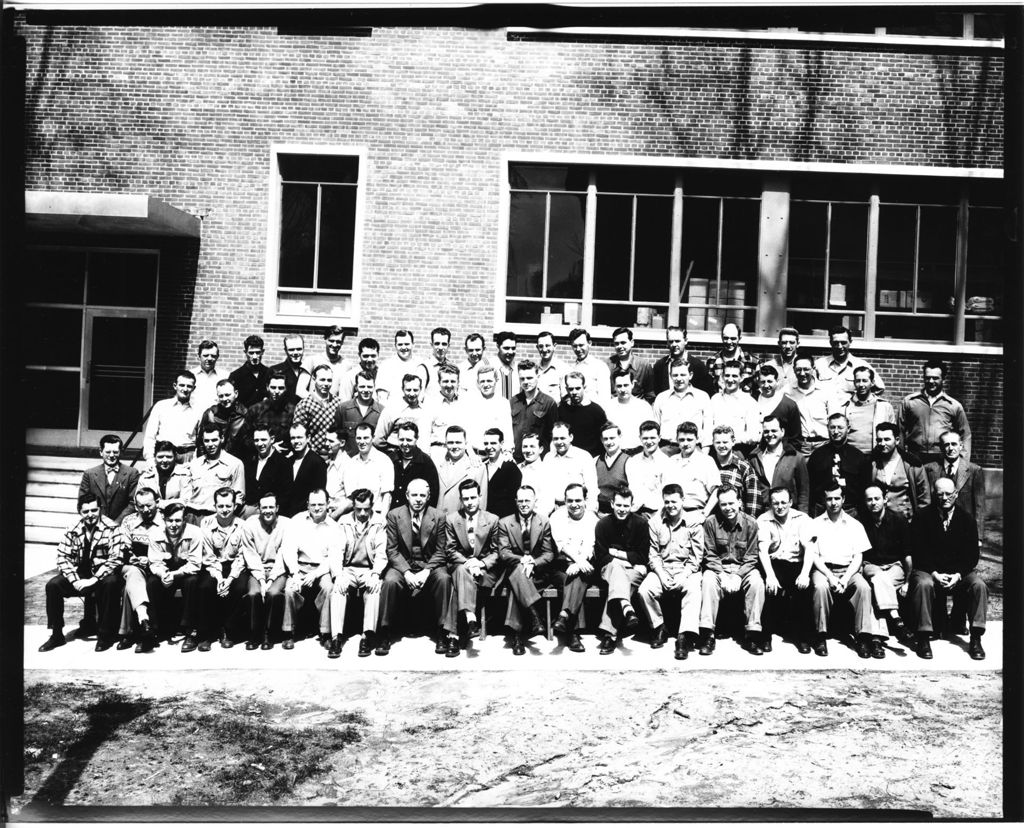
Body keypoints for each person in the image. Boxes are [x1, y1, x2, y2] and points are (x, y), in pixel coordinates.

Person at [908, 476, 988, 660]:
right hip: (929, 570)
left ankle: (976, 638)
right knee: (923, 584)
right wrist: (935, 573)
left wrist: (958, 575)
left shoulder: (966, 519)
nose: (944, 498)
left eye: (948, 494)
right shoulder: (922, 517)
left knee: (979, 586)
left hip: (957, 573)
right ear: (934, 495)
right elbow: (918, 551)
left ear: (956, 494)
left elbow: (971, 555)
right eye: (940, 494)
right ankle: (923, 637)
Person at [379, 478, 458, 657]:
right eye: (414, 495)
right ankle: (385, 631)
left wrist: (426, 571)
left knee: (444, 579)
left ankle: (442, 632)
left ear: (428, 497)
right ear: (407, 496)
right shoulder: (394, 515)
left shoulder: (438, 516)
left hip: (429, 564)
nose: (418, 499)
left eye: (423, 495)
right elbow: (392, 551)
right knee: (390, 581)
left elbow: (441, 551)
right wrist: (406, 572)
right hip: (403, 565)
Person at [38, 495, 125, 652]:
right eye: (86, 511)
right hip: (79, 576)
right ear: (80, 512)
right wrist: (74, 580)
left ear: (100, 510)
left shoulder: (113, 528)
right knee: (53, 585)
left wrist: (94, 580)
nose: (90, 514)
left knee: (111, 582)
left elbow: (116, 559)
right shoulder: (72, 529)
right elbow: (62, 557)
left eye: (94, 510)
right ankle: (56, 634)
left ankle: (105, 635)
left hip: (102, 576)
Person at [807, 480, 875, 658]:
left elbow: (858, 557)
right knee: (820, 587)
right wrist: (830, 577)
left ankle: (863, 637)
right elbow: (813, 555)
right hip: (823, 570)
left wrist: (845, 579)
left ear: (843, 499)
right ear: (824, 500)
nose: (833, 503)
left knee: (864, 587)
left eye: (837, 498)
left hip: (848, 570)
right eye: (829, 499)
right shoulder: (815, 524)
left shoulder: (854, 524)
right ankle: (820, 636)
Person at [638, 483, 704, 659]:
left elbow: (696, 558)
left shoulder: (694, 522)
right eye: (667, 502)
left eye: (674, 501)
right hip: (663, 569)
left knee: (694, 590)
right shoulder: (655, 522)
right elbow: (653, 555)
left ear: (683, 500)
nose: (670, 506)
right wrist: (661, 574)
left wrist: (683, 575)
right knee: (645, 590)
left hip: (686, 570)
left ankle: (684, 636)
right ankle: (659, 627)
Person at [698, 486, 763, 655]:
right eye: (723, 504)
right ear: (718, 505)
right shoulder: (711, 522)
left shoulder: (751, 523)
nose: (728, 508)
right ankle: (708, 635)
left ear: (739, 502)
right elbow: (710, 554)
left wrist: (737, 576)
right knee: (708, 580)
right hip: (719, 568)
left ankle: (752, 634)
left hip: (743, 568)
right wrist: (722, 575)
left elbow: (752, 556)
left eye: (731, 503)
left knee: (756, 581)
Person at [278, 489, 344, 651]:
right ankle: (288, 632)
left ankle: (326, 633)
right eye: (313, 504)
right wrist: (294, 573)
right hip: (299, 565)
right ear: (307, 504)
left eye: (321, 504)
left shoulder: (334, 527)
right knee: (290, 589)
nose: (316, 508)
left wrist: (315, 574)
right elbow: (288, 548)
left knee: (328, 588)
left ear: (328, 505)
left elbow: (333, 557)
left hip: (322, 569)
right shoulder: (297, 521)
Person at [497, 484, 556, 655]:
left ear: (535, 502)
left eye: (527, 500)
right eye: (520, 501)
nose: (524, 504)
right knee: (518, 573)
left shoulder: (543, 521)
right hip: (512, 571)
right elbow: (504, 553)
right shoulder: (505, 523)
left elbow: (549, 553)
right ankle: (534, 616)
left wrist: (533, 563)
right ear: (516, 502)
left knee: (518, 587)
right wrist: (523, 560)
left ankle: (517, 637)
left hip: (537, 574)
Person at [756, 486, 815, 653]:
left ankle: (801, 636)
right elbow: (763, 550)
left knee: (804, 589)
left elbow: (809, 548)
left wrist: (804, 574)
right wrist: (770, 576)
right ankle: (765, 635)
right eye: (775, 503)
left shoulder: (802, 519)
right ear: (770, 504)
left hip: (797, 562)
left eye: (783, 502)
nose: (779, 507)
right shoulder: (763, 520)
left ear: (790, 502)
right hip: (774, 562)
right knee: (768, 587)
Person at [858, 483, 915, 658]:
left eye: (877, 498)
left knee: (878, 584)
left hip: (894, 567)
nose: (873, 503)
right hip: (871, 566)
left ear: (885, 499)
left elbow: (907, 554)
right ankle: (896, 619)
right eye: (869, 499)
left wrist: (907, 582)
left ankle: (876, 640)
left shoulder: (898, 519)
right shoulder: (861, 521)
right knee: (877, 579)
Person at [331, 488, 388, 658]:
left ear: (372, 506)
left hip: (368, 569)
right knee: (338, 589)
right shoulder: (343, 522)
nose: (362, 513)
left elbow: (381, 553)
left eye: (366, 509)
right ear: (353, 507)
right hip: (348, 569)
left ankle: (367, 636)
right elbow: (336, 552)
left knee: (374, 589)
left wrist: (376, 573)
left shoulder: (379, 522)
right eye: (358, 509)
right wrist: (338, 575)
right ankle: (336, 637)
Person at [546, 483, 600, 653]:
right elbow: (561, 545)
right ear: (565, 501)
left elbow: (591, 546)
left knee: (578, 576)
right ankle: (573, 632)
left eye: (578, 500)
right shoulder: (557, 517)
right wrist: (576, 562)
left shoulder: (593, 519)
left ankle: (565, 619)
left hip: (585, 563)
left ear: (585, 500)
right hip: (562, 565)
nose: (574, 504)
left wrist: (579, 564)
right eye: (570, 501)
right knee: (572, 579)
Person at [445, 479, 501, 643]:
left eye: (473, 498)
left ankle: (453, 636)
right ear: (461, 500)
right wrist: (469, 563)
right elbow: (450, 550)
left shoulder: (492, 519)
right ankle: (470, 620)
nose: (470, 502)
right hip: (461, 567)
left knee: (457, 585)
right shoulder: (452, 519)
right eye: (466, 499)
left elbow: (497, 551)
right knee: (462, 572)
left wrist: (481, 563)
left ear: (480, 497)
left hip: (484, 572)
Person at [592, 486, 646, 654]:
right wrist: (626, 560)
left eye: (626, 506)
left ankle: (609, 635)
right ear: (612, 504)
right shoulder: (602, 524)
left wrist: (617, 554)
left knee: (619, 583)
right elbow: (601, 557)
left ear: (631, 506)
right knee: (616, 568)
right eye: (619, 505)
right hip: (608, 570)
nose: (622, 509)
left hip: (633, 572)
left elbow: (643, 557)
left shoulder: (641, 524)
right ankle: (626, 607)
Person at [147, 501, 206, 650]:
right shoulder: (155, 534)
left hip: (186, 572)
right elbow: (154, 562)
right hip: (166, 571)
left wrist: (174, 574)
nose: (174, 525)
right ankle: (153, 631)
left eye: (178, 520)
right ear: (164, 520)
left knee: (192, 582)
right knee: (152, 582)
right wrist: (163, 574)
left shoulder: (195, 533)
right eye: (170, 520)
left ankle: (190, 632)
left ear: (184, 520)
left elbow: (195, 564)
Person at [235, 491, 291, 650]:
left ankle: (269, 634)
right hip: (257, 569)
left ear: (277, 508)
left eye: (271, 507)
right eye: (264, 507)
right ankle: (254, 634)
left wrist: (271, 579)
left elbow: (283, 554)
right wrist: (261, 579)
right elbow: (250, 555)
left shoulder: (286, 524)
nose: (267, 511)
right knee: (254, 594)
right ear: (259, 508)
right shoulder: (250, 525)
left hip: (278, 570)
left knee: (273, 593)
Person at [195, 487, 249, 651]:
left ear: (234, 506)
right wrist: (219, 579)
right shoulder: (206, 523)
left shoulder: (242, 525)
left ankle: (228, 631)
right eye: (220, 506)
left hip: (235, 566)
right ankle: (207, 634)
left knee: (238, 587)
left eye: (228, 506)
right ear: (215, 506)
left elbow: (241, 556)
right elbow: (208, 555)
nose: (224, 510)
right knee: (205, 587)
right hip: (213, 565)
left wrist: (230, 579)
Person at [114, 487, 163, 651]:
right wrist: (134, 559)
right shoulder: (128, 521)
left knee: (130, 588)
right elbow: (123, 548)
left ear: (157, 502)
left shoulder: (165, 520)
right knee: (134, 573)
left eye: (149, 505)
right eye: (141, 506)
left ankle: (129, 634)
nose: (146, 509)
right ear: (135, 506)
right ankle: (145, 625)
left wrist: (150, 560)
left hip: (157, 565)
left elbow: (170, 549)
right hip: (133, 565)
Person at [898, 360, 973, 465]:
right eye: (928, 378)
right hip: (914, 456)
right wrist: (900, 457)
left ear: (943, 379)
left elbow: (965, 435)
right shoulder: (910, 402)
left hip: (942, 457)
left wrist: (962, 461)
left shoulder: (953, 405)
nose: (931, 381)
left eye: (936, 378)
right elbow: (899, 430)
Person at [924, 430, 985, 545]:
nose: (951, 448)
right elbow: (926, 500)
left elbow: (979, 506)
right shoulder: (929, 469)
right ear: (941, 447)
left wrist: (978, 537)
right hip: (936, 527)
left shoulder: (974, 471)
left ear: (961, 445)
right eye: (946, 445)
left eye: (954, 444)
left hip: (963, 528)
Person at [807, 413, 871, 518]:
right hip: (822, 510)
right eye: (832, 427)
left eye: (840, 427)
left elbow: (864, 489)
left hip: (850, 511)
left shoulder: (858, 457)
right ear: (827, 428)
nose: (836, 431)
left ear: (848, 429)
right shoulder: (817, 456)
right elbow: (810, 488)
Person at [328, 422, 394, 520]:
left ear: (373, 437)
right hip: (355, 516)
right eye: (359, 438)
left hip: (376, 516)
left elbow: (387, 497)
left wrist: (381, 521)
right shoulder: (351, 463)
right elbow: (350, 498)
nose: (362, 442)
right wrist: (332, 517)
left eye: (366, 438)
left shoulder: (384, 461)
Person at [747, 415, 809, 516]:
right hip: (762, 515)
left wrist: (802, 516)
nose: (770, 434)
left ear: (782, 432)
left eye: (774, 431)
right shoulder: (754, 458)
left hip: (788, 515)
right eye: (766, 431)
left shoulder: (796, 457)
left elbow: (804, 493)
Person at [870, 422, 930, 521]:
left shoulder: (912, 464)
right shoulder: (873, 463)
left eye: (887, 439)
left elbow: (924, 498)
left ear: (897, 440)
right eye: (879, 440)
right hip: (881, 521)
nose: (882, 444)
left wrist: (919, 522)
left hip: (907, 522)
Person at [665, 421, 721, 526]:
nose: (685, 444)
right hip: (672, 515)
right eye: (682, 440)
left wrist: (704, 515)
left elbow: (716, 491)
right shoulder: (671, 461)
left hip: (696, 514)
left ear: (697, 439)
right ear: (677, 440)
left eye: (690, 440)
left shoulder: (706, 461)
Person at [78, 434, 140, 524]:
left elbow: (133, 502)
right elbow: (82, 503)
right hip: (96, 525)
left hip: (122, 526)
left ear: (121, 452)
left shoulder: (132, 473)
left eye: (115, 452)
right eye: (108, 452)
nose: (111, 455)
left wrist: (116, 523)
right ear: (101, 452)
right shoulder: (89, 474)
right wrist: (101, 522)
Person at [652, 360, 710, 451]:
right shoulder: (661, 398)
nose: (679, 379)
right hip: (667, 448)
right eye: (675, 375)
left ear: (690, 375)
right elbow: (655, 427)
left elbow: (708, 428)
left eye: (683, 375)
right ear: (670, 376)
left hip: (694, 449)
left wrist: (705, 452)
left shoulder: (702, 397)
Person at [143, 371, 200, 461]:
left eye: (189, 386)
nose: (185, 389)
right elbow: (150, 436)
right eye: (181, 385)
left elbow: (200, 441)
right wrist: (150, 459)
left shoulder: (198, 411)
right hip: (164, 456)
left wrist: (195, 461)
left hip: (187, 457)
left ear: (194, 388)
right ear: (175, 386)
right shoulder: (161, 406)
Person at [542, 421, 599, 513]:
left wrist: (590, 513)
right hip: (553, 509)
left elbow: (592, 489)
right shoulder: (548, 458)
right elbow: (545, 488)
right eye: (555, 439)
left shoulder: (583, 456)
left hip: (578, 509)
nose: (559, 442)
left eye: (562, 438)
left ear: (571, 437)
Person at [788, 354, 839, 457]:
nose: (802, 373)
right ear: (793, 370)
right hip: (801, 446)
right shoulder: (787, 391)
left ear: (813, 368)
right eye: (798, 369)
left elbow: (835, 418)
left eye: (806, 369)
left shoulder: (827, 390)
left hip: (825, 444)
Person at [814, 325, 885, 397]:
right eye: (836, 343)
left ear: (850, 342)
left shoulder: (861, 365)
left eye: (843, 342)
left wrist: (863, 401)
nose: (840, 347)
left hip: (851, 407)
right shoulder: (819, 365)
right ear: (830, 343)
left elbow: (879, 387)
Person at [839, 365, 896, 454]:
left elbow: (893, 434)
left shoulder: (884, 406)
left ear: (872, 382)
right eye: (858, 381)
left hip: (876, 457)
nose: (861, 385)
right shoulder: (845, 406)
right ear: (854, 383)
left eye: (865, 381)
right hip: (850, 457)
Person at [709, 360, 761, 454]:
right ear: (722, 376)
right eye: (727, 375)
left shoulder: (749, 402)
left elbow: (754, 435)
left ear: (741, 378)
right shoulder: (715, 399)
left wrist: (729, 440)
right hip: (715, 451)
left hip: (739, 451)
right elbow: (708, 427)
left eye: (734, 376)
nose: (730, 379)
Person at [293, 364, 343, 462]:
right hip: (311, 458)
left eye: (329, 380)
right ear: (314, 379)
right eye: (322, 380)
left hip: (334, 458)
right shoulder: (304, 405)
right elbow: (298, 434)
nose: (326, 384)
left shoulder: (339, 403)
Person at [373, 373, 434, 453]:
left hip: (419, 457)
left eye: (415, 390)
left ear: (420, 389)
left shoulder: (425, 411)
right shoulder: (391, 409)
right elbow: (378, 440)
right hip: (397, 455)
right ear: (402, 389)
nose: (412, 394)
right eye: (408, 390)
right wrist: (392, 453)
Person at [510, 359, 558, 461]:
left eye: (529, 378)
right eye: (522, 379)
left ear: (538, 376)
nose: (526, 382)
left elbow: (553, 436)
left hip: (539, 460)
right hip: (516, 459)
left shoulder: (549, 403)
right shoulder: (512, 402)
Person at [625, 420, 674, 516]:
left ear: (659, 438)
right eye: (645, 438)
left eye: (652, 438)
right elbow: (633, 488)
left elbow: (668, 494)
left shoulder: (667, 463)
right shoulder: (632, 461)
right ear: (640, 438)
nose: (649, 442)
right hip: (635, 511)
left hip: (658, 513)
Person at [241, 425, 292, 518]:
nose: (260, 444)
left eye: (263, 440)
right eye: (256, 440)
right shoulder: (249, 461)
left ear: (272, 440)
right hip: (249, 516)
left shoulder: (283, 463)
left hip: (272, 516)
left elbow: (286, 495)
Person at [436, 426, 488, 514]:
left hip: (462, 523)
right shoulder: (438, 465)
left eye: (458, 442)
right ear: (445, 444)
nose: (454, 446)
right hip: (438, 522)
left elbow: (481, 503)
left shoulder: (477, 467)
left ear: (466, 444)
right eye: (450, 443)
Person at [280, 422, 328, 518]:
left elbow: (318, 495)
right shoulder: (288, 461)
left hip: (307, 517)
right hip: (286, 515)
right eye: (293, 438)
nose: (296, 441)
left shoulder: (317, 462)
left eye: (299, 437)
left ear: (308, 438)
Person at [708, 425, 758, 515]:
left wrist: (749, 524)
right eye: (718, 442)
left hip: (736, 522)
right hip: (711, 522)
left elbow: (753, 500)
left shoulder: (744, 467)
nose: (721, 445)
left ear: (733, 442)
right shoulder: (707, 465)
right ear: (713, 443)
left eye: (725, 442)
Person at [652, 326, 714, 397]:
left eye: (677, 341)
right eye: (671, 341)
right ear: (667, 342)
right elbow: (656, 391)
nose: (674, 344)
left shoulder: (698, 366)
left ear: (686, 341)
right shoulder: (660, 366)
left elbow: (706, 392)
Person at [465, 366, 515, 455]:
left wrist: (507, 452)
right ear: (477, 383)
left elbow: (508, 432)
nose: (485, 384)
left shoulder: (503, 403)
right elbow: (465, 432)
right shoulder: (470, 403)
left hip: (497, 456)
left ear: (496, 381)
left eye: (489, 381)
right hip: (475, 455)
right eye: (482, 381)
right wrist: (471, 454)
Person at [556, 371, 608, 457]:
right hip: (567, 458)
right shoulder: (561, 410)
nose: (574, 392)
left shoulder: (597, 411)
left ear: (584, 387)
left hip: (591, 459)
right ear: (566, 389)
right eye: (571, 389)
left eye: (578, 388)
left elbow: (603, 439)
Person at [390, 421, 440, 510]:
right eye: (401, 439)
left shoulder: (426, 463)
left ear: (416, 439)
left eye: (409, 440)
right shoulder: (391, 459)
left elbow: (433, 495)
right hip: (391, 515)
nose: (405, 444)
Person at [427, 363, 470, 462]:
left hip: (460, 453)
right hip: (438, 453)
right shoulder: (430, 404)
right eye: (445, 381)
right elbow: (425, 435)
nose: (449, 385)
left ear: (458, 382)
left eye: (453, 381)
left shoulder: (464, 402)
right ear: (439, 382)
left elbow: (468, 431)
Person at [335, 370, 384, 457]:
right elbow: (337, 437)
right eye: (362, 386)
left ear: (374, 387)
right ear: (356, 387)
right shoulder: (343, 408)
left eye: (369, 387)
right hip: (349, 462)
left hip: (372, 463)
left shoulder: (382, 411)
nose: (366, 390)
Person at [199, 379, 251, 459]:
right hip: (213, 460)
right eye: (221, 396)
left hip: (237, 461)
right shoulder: (210, 414)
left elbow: (249, 444)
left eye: (227, 395)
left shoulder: (245, 415)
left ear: (236, 394)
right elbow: (201, 442)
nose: (224, 399)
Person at [606, 370, 655, 454]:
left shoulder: (644, 407)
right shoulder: (608, 407)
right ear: (614, 387)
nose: (622, 389)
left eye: (626, 385)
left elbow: (651, 432)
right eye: (619, 386)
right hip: (616, 453)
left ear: (632, 384)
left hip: (638, 453)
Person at [751, 364, 800, 447]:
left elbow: (795, 438)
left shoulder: (788, 404)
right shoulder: (752, 400)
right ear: (758, 382)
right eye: (763, 382)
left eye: (770, 381)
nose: (766, 385)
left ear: (777, 382)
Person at [245, 371, 295, 451]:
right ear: (267, 387)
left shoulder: (292, 411)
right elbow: (246, 438)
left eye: (281, 388)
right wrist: (269, 447)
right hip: (259, 456)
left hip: (284, 457)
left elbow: (295, 438)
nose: (277, 391)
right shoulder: (255, 410)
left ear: (286, 389)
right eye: (273, 387)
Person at [137, 440, 194, 511]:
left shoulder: (184, 474)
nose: (164, 460)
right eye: (160, 457)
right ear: (154, 457)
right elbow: (139, 501)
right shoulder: (146, 476)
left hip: (175, 516)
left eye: (169, 457)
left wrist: (158, 503)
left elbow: (186, 501)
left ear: (175, 457)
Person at [376, 329, 428, 405]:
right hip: (393, 412)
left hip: (415, 412)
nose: (403, 347)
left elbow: (422, 394)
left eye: (407, 344)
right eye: (400, 344)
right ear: (395, 345)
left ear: (413, 344)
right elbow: (382, 398)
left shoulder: (420, 365)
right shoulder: (386, 366)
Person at [480, 427, 522, 518]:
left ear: (501, 444)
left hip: (503, 522)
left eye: (493, 443)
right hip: (485, 521)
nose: (489, 447)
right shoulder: (482, 466)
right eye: (486, 443)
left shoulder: (511, 468)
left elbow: (513, 501)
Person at [606, 327, 654, 402]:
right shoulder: (607, 365)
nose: (620, 346)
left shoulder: (644, 365)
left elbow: (650, 395)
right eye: (616, 343)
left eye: (623, 343)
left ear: (632, 342)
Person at [566, 328, 610, 403]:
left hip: (593, 413)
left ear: (589, 343)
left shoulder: (600, 367)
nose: (578, 349)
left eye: (581, 345)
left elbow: (605, 399)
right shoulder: (570, 368)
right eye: (575, 346)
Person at [595, 422, 629, 514]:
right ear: (601, 440)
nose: (609, 442)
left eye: (612, 438)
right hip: (599, 510)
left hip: (620, 511)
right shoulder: (596, 460)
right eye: (605, 439)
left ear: (620, 437)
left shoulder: (629, 461)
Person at [228, 334, 271, 407]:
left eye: (258, 352)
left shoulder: (270, 373)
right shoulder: (236, 376)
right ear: (245, 352)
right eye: (251, 353)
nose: (254, 356)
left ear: (262, 352)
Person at [311, 325, 354, 398]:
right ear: (325, 339)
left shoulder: (347, 365)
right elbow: (300, 390)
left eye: (338, 342)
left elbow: (349, 392)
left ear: (342, 342)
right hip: (314, 407)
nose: (334, 345)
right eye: (331, 341)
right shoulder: (312, 360)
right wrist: (316, 403)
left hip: (336, 407)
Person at [269, 334, 312, 404]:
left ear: (303, 349)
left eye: (299, 349)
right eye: (291, 350)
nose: (295, 353)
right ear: (285, 350)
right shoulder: (274, 370)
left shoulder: (308, 370)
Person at [517, 433, 553, 516]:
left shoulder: (546, 471)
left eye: (532, 446)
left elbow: (547, 504)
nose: (528, 450)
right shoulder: (517, 468)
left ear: (540, 449)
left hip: (537, 519)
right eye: (525, 447)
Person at [190, 339, 228, 412]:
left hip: (216, 419)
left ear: (217, 357)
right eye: (205, 355)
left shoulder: (225, 376)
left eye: (213, 356)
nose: (209, 358)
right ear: (199, 356)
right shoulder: (190, 376)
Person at [339, 337, 380, 402]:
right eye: (366, 356)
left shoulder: (382, 375)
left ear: (378, 355)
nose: (369, 360)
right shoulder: (350, 377)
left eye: (373, 356)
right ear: (359, 355)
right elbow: (344, 404)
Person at [534, 330, 568, 400]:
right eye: (541, 346)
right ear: (537, 347)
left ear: (554, 346)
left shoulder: (563, 369)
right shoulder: (534, 369)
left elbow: (566, 398)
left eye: (547, 345)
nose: (544, 349)